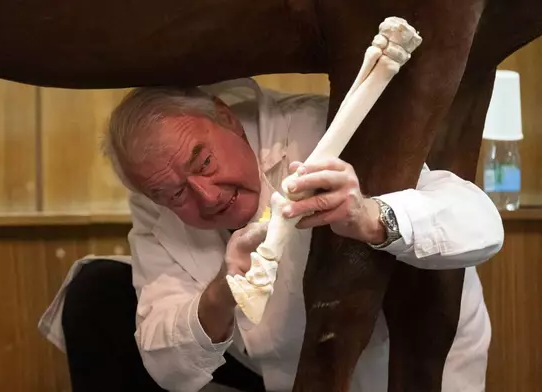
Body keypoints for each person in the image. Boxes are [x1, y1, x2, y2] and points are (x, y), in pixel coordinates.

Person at [38, 78, 504, 392]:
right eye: (175, 193)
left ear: (226, 118)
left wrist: (371, 216)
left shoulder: (318, 128)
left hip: (398, 369)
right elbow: (166, 366)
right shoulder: (153, 195)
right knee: (95, 291)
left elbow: (481, 226)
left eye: (203, 163)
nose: (205, 197)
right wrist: (225, 289)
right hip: (273, 369)